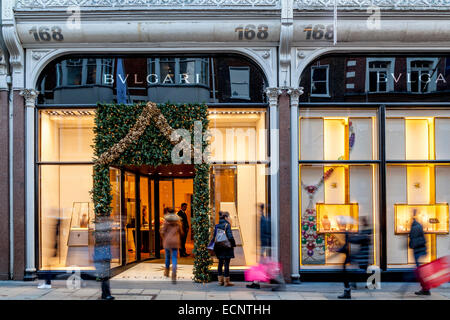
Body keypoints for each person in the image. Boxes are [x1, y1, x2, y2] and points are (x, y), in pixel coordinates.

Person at [409, 209, 430, 296]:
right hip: (421, 250)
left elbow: (413, 240)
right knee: (420, 271)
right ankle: (425, 289)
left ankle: (425, 289)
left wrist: (411, 245)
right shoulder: (419, 225)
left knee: (420, 271)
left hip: (418, 250)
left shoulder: (415, 226)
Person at [160, 208, 183, 284]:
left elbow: (162, 231)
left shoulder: (166, 221)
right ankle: (174, 272)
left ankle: (166, 272)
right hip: (175, 241)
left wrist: (164, 237)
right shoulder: (178, 221)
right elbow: (181, 232)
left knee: (167, 257)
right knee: (174, 257)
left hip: (167, 241)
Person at [213, 211, 236, 287]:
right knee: (226, 264)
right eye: (229, 217)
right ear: (226, 217)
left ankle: (220, 281)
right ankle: (226, 282)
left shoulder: (217, 226)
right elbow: (230, 236)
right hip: (226, 247)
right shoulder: (227, 225)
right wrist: (233, 244)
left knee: (220, 263)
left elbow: (214, 237)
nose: (229, 218)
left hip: (219, 247)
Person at [93, 217, 115, 300]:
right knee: (105, 275)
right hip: (102, 256)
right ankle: (106, 294)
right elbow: (101, 243)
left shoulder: (103, 231)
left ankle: (105, 293)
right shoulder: (100, 233)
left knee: (106, 275)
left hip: (105, 255)